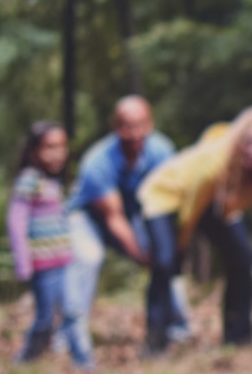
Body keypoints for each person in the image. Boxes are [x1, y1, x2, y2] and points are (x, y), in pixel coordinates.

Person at [136, 105, 252, 352]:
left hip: (215, 204)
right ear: (240, 136)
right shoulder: (216, 159)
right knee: (165, 262)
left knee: (243, 260)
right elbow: (191, 208)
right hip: (167, 197)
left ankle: (238, 339)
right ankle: (155, 343)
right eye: (250, 141)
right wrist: (180, 249)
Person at [66, 96, 180, 353]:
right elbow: (112, 216)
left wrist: (158, 252)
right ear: (115, 127)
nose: (134, 133)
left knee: (166, 258)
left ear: (150, 124)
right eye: (127, 126)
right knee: (89, 257)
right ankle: (72, 335)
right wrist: (140, 254)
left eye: (140, 124)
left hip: (136, 213)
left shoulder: (162, 151)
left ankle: (177, 324)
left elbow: (167, 201)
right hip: (89, 216)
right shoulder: (98, 160)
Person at [7, 121, 91, 369]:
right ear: (34, 151)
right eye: (49, 147)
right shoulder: (29, 180)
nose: (57, 153)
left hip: (63, 261)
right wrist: (23, 261)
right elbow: (16, 221)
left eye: (61, 147)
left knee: (72, 311)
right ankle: (25, 360)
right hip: (42, 265)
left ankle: (84, 362)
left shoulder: (54, 183)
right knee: (45, 319)